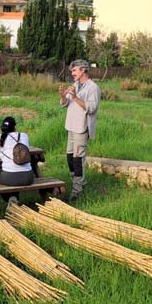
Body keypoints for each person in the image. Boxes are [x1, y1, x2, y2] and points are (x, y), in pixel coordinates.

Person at [59, 59, 101, 202]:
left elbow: (91, 108)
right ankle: (78, 183)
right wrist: (63, 95)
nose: (72, 73)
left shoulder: (93, 88)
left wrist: (76, 97)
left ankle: (77, 191)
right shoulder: (75, 85)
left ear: (83, 70)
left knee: (78, 159)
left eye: (74, 70)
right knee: (70, 157)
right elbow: (65, 104)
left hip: (81, 128)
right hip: (70, 126)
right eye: (71, 71)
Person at [0, 116, 34, 205]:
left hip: (10, 177)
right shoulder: (24, 135)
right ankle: (13, 197)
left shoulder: (1, 137)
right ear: (15, 127)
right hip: (28, 177)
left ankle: (11, 198)